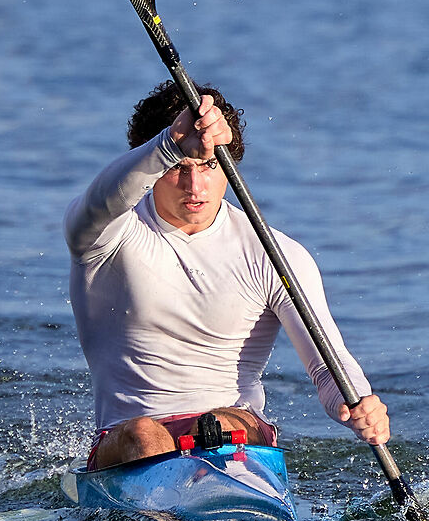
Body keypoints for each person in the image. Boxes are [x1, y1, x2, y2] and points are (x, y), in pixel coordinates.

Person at [68, 80, 391, 470]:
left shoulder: (274, 253)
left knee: (220, 423)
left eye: (208, 165)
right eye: (177, 167)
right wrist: (170, 143)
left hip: (235, 430)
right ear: (151, 166)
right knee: (144, 435)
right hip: (129, 441)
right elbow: (97, 200)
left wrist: (354, 400)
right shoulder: (106, 236)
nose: (195, 185)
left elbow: (327, 364)